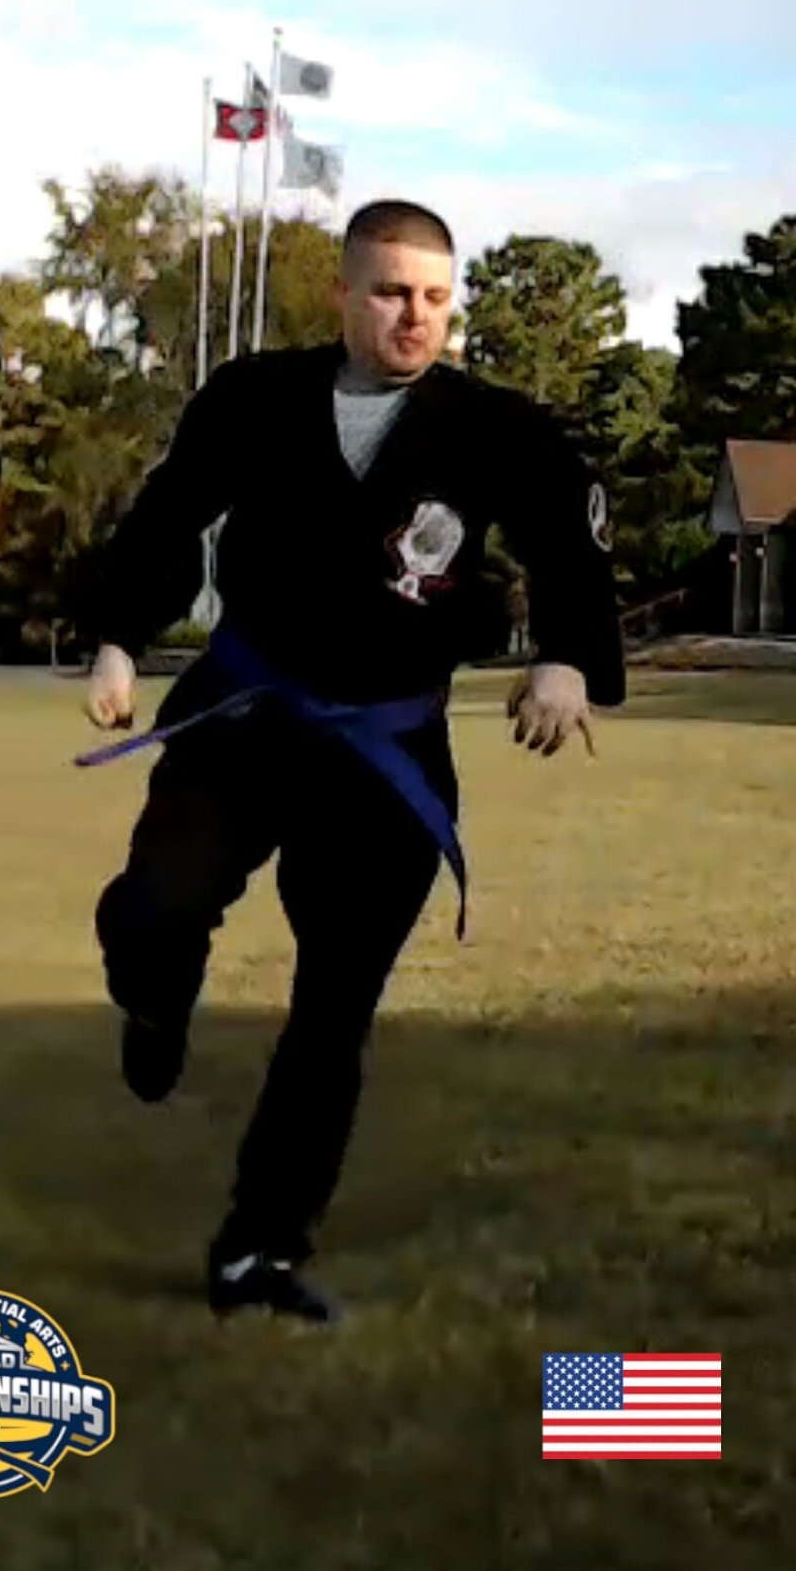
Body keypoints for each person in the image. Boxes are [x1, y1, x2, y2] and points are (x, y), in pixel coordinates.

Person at [81, 200, 625, 1326]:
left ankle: (260, 1249)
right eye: (389, 293)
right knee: (155, 907)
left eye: (434, 298)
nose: (414, 317)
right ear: (341, 296)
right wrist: (120, 635)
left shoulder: (494, 428)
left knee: (333, 1008)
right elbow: (169, 512)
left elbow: (568, 542)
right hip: (244, 711)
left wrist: (567, 658)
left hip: (385, 745)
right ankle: (155, 1000)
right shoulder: (255, 397)